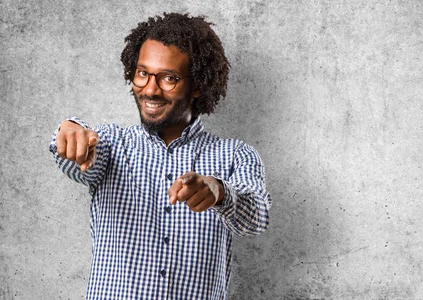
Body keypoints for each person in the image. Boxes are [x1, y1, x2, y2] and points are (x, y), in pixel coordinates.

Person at [48, 12, 271, 299]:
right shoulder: (111, 144)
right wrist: (69, 132)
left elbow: (257, 219)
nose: (150, 90)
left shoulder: (236, 155)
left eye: (168, 78)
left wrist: (220, 192)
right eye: (142, 73)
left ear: (198, 85)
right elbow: (79, 160)